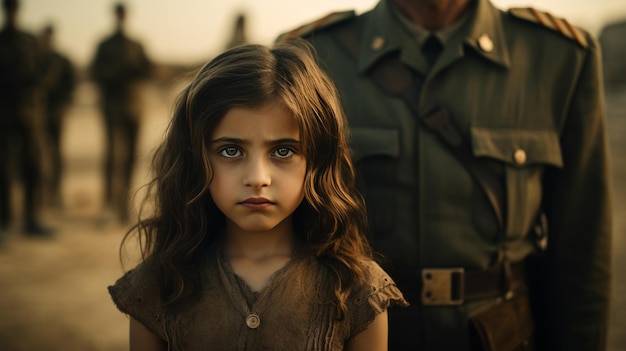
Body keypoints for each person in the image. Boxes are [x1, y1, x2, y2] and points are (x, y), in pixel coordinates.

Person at [278, 0, 613, 350]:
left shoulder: (559, 58)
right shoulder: (310, 57)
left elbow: (583, 254)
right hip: (360, 335)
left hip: (503, 337)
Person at [107, 42, 408, 350]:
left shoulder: (357, 289)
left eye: (283, 151)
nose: (257, 178)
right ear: (196, 160)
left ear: (316, 160)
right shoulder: (159, 285)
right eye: (230, 151)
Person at [90, 2, 152, 224]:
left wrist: (135, 69)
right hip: (113, 107)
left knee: (131, 158)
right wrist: (118, 72)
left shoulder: (136, 44)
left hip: (134, 108)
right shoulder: (105, 45)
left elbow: (148, 69)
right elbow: (96, 72)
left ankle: (124, 205)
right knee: (112, 157)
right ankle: (108, 204)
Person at [0, 0, 51, 237]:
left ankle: (31, 218)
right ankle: (5, 221)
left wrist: (35, 85)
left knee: (33, 166)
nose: (12, 13)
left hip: (29, 113)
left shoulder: (29, 42)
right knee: (4, 169)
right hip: (5, 113)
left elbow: (45, 71)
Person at [38, 23, 76, 208]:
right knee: (38, 155)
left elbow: (70, 83)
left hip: (55, 112)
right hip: (36, 114)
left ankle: (55, 193)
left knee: (55, 155)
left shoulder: (60, 60)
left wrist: (63, 103)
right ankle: (42, 195)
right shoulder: (35, 58)